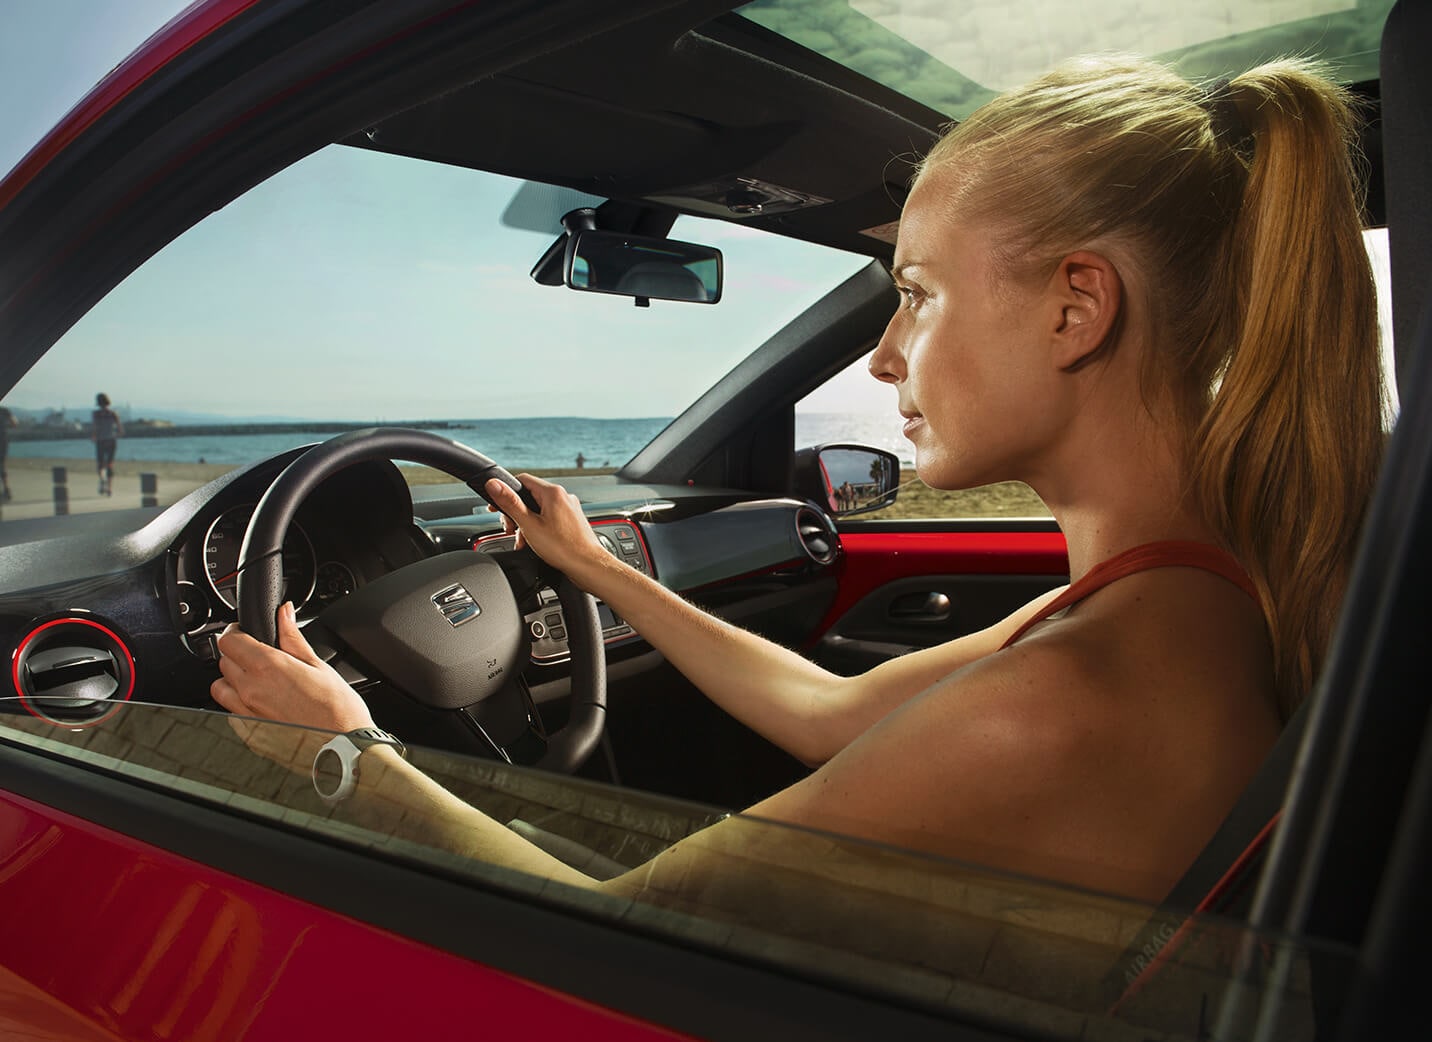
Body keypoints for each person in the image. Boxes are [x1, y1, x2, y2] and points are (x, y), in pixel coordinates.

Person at [212, 56, 1383, 905]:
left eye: (917, 292)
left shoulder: (1064, 696)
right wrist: (594, 573)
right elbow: (828, 714)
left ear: (1078, 307)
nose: (883, 353)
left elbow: (628, 940)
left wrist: (346, 754)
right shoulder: (1193, 588)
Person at [91, 393, 123, 496]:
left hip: (101, 440)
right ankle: (109, 488)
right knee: (110, 464)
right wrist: (116, 434)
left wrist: (94, 436)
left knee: (100, 464)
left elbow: (95, 427)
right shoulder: (113, 413)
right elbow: (120, 429)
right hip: (111, 440)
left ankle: (102, 479)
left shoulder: (96, 414)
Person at [0, 403, 14, 501]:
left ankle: (6, 490)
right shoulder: (4, 410)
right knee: (2, 465)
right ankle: (6, 489)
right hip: (3, 440)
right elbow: (14, 423)